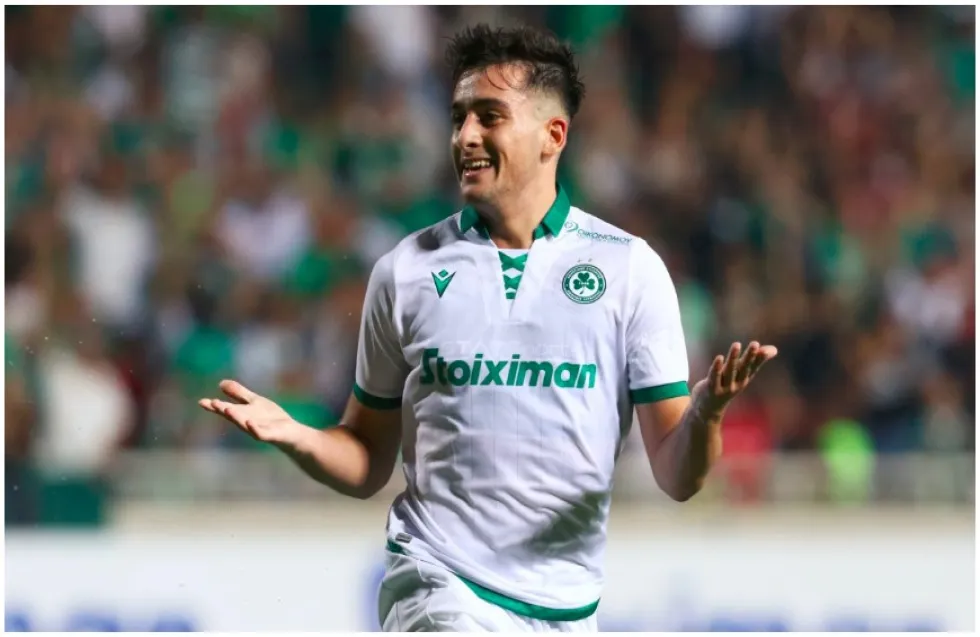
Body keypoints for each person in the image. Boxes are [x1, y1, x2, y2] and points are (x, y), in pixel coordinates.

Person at [199, 24, 777, 633]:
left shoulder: (629, 270)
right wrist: (298, 437)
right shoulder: (405, 271)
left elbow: (678, 477)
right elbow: (367, 458)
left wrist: (705, 414)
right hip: (438, 587)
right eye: (459, 118)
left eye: (490, 116)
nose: (465, 136)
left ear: (553, 135)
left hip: (566, 612)